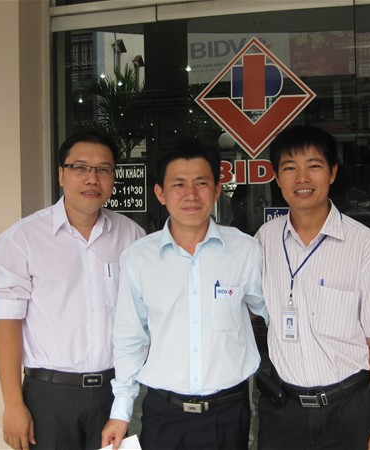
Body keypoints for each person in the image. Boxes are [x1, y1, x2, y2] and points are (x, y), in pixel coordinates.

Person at [101, 136, 268, 450]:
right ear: (160, 193)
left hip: (228, 413)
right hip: (164, 414)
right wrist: (120, 411)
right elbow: (129, 338)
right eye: (178, 184)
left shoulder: (245, 250)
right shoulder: (139, 258)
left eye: (201, 183)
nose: (191, 194)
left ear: (217, 191)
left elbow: (271, 311)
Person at [254, 125, 370, 450]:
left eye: (314, 166)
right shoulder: (264, 241)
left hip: (348, 411)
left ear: (332, 172)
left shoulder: (366, 247)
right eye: (290, 168)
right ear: (277, 177)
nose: (302, 178)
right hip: (282, 412)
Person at [0, 131, 145, 450]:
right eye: (80, 167)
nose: (92, 178)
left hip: (115, 396)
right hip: (49, 398)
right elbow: (8, 323)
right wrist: (13, 404)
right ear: (61, 174)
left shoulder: (132, 237)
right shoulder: (22, 240)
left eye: (103, 169)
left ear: (113, 177)